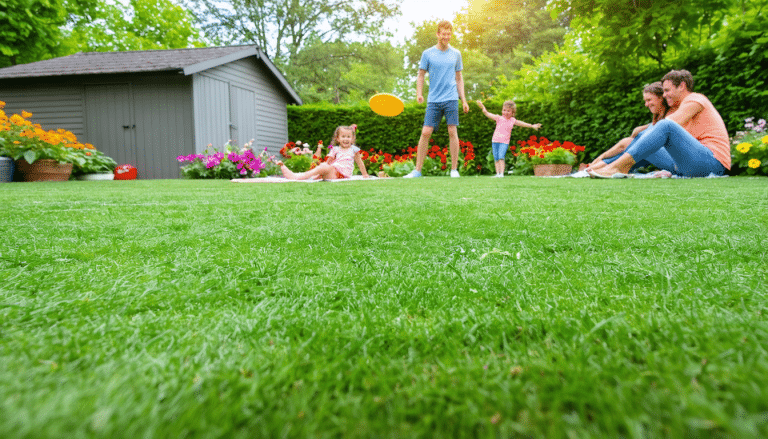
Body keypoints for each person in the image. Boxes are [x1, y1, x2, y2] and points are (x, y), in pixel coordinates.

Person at [588, 70, 730, 178]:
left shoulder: (696, 99)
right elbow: (657, 134)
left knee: (664, 126)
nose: (664, 95)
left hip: (712, 163)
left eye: (667, 90)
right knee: (643, 136)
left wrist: (650, 129)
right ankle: (603, 167)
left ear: (682, 86)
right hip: (686, 164)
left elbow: (669, 125)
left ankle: (617, 167)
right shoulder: (678, 108)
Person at [404, 20, 469, 178]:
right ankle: (417, 171)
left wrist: (464, 100)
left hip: (451, 98)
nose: (446, 37)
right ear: (437, 34)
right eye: (443, 34)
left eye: (449, 34)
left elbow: (459, 78)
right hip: (433, 99)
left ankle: (454, 170)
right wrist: (419, 93)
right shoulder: (428, 53)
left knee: (452, 131)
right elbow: (420, 75)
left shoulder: (456, 54)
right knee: (426, 132)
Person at [587, 82, 674, 174]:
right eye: (645, 101)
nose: (646, 104)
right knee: (631, 143)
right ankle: (600, 166)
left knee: (628, 142)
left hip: (673, 161)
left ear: (661, 98)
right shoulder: (659, 119)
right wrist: (642, 128)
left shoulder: (673, 116)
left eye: (649, 100)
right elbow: (653, 127)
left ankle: (600, 166)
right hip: (656, 156)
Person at [476, 100, 542, 177]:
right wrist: (483, 107)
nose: (505, 112)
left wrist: (531, 125)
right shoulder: (499, 118)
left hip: (504, 142)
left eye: (508, 111)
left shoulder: (512, 120)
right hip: (495, 141)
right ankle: (498, 173)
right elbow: (487, 113)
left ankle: (501, 174)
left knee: (501, 156)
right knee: (496, 158)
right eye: (504, 110)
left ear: (512, 113)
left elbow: (522, 123)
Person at [278, 125, 369, 180]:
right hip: (333, 173)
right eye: (343, 136)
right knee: (323, 166)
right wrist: (322, 170)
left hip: (343, 175)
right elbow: (329, 161)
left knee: (324, 167)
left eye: (348, 137)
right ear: (338, 139)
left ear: (352, 139)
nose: (346, 139)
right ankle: (298, 175)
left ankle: (298, 176)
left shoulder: (354, 149)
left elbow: (360, 163)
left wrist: (365, 174)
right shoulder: (335, 149)